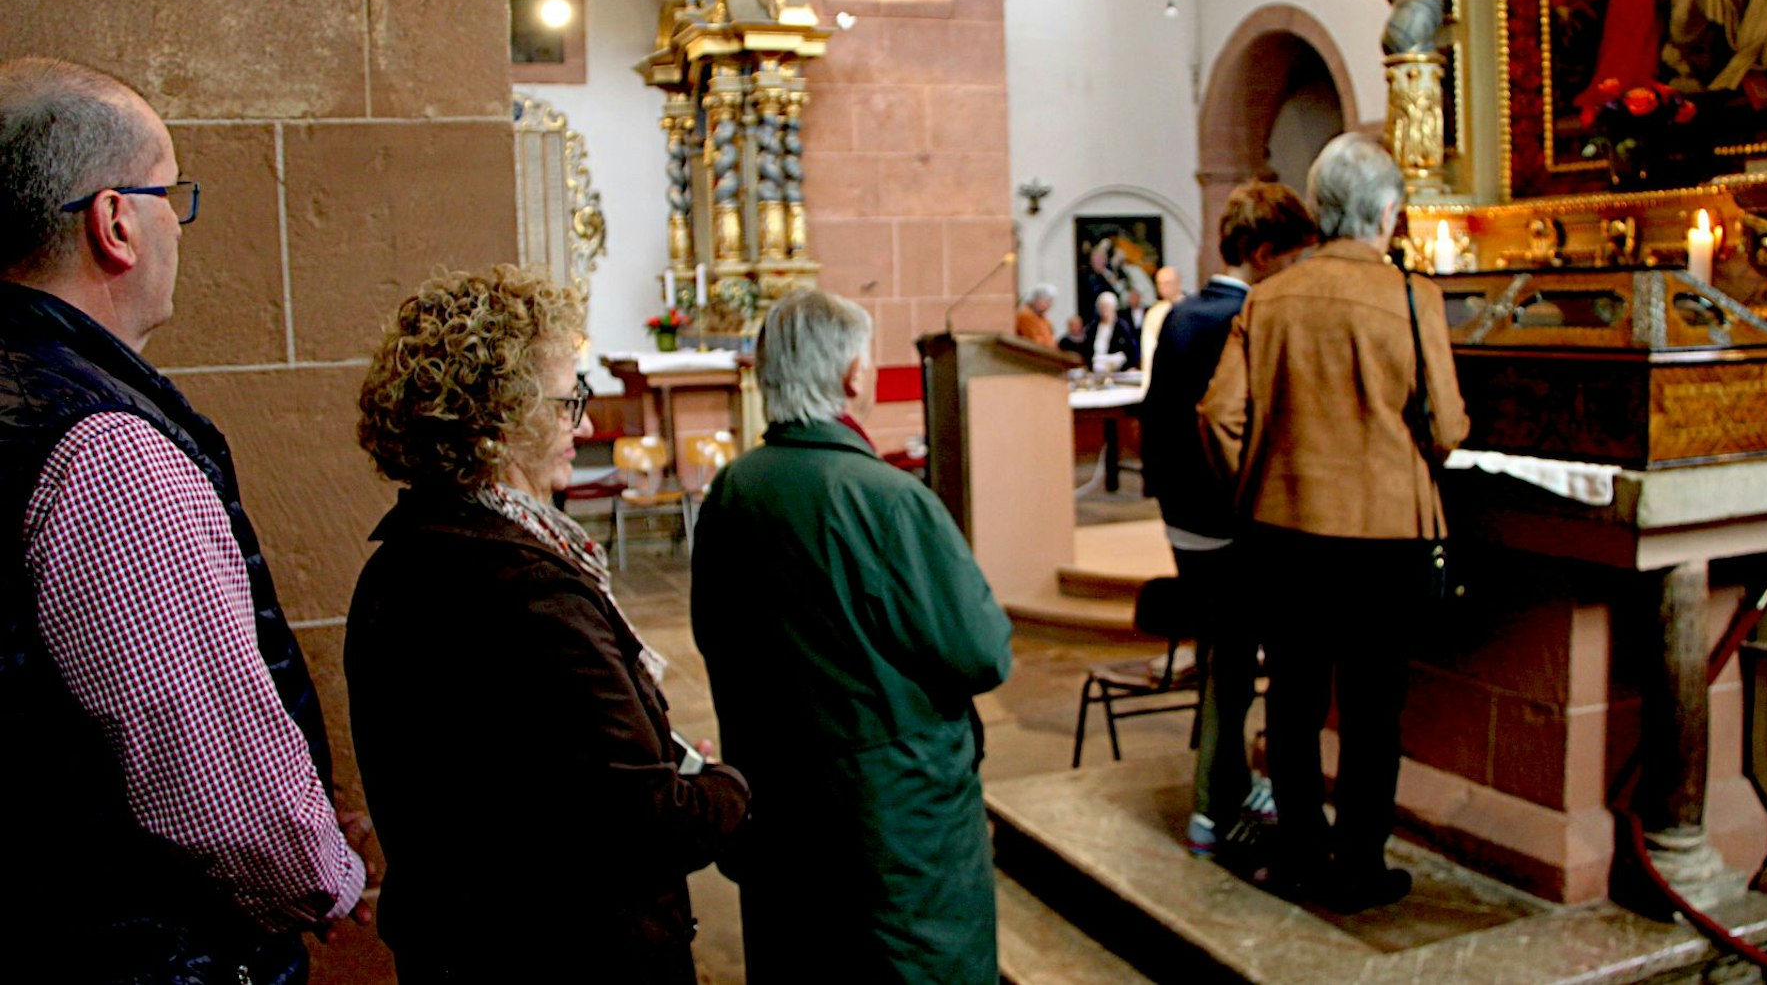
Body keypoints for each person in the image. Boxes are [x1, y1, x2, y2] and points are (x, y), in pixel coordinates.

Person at [0, 57, 367, 983]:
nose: (179, 224)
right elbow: (212, 777)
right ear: (115, 221)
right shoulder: (104, 451)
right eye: (173, 196)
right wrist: (326, 874)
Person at [347, 266, 749, 983]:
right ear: (499, 420)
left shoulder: (403, 559)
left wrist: (650, 744)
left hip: (460, 944)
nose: (585, 426)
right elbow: (640, 819)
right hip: (566, 949)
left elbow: (535, 776)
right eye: (569, 404)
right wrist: (724, 791)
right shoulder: (527, 589)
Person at [692, 290, 1014, 983]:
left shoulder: (732, 492)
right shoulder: (887, 498)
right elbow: (981, 650)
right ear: (850, 378)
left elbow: (714, 632)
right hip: (891, 820)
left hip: (779, 798)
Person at [1199, 134, 1469, 912]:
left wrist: (1258, 483)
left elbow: (1216, 416)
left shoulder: (1269, 295)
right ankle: (1357, 864)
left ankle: (1299, 854)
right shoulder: (1413, 298)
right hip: (1385, 539)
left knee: (1291, 701)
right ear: (1386, 214)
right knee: (1372, 709)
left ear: (1317, 212)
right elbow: (1446, 427)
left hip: (1282, 534)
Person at [1140, 184, 1318, 858]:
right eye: (1296, 259)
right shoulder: (1246, 317)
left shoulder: (1183, 314)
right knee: (1236, 663)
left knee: (1227, 655)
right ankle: (1216, 808)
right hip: (1228, 520)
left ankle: (1229, 789)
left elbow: (1156, 423)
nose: (1300, 273)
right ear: (1264, 254)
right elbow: (1238, 421)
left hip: (1182, 516)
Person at [1138, 264, 1185, 376]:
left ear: (1178, 283)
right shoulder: (1153, 313)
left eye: (1167, 283)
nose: (1163, 287)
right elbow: (1148, 346)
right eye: (1160, 284)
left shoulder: (1190, 309)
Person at [1090, 290, 1140, 372]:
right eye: (1102, 307)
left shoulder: (1122, 326)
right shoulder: (1093, 327)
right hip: (1096, 367)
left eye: (1107, 306)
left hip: (1117, 368)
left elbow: (1131, 349)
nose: (1104, 310)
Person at [1015, 281, 1058, 347]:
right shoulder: (1026, 315)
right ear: (1036, 299)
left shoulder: (1042, 318)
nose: (1049, 305)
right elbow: (1034, 340)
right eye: (1047, 301)